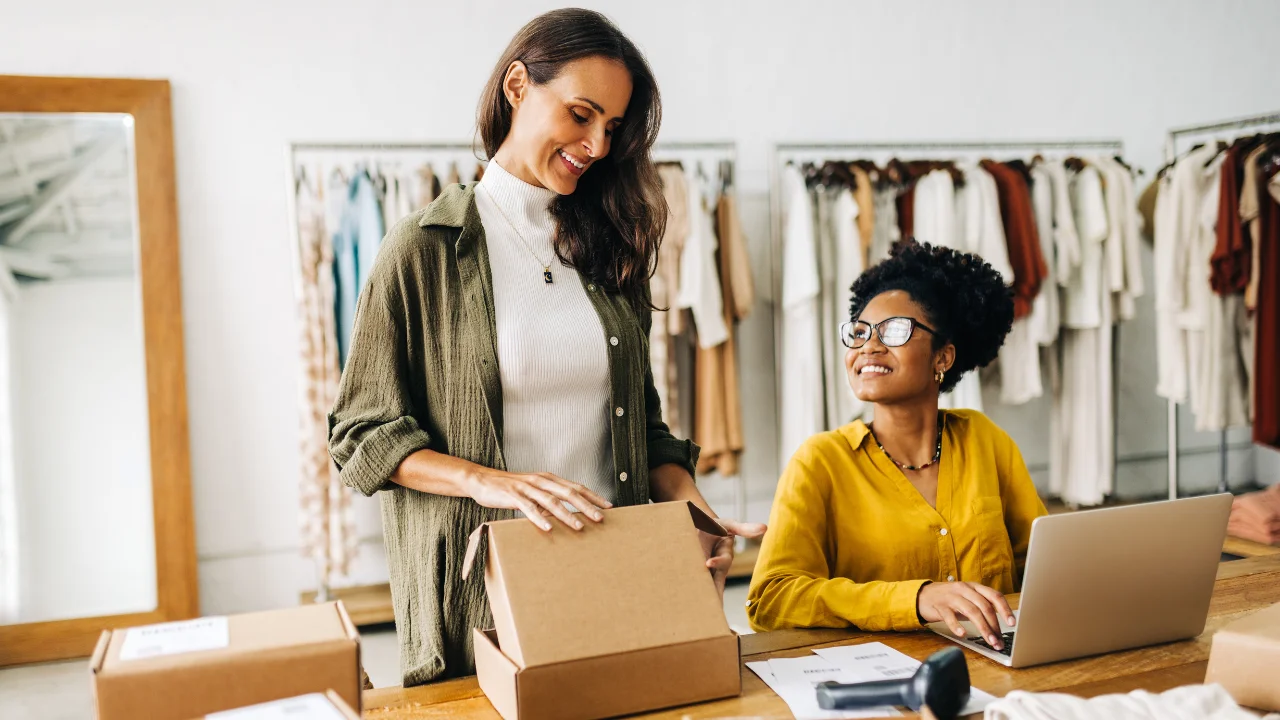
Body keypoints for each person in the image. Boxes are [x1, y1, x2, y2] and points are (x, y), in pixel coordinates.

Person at [328, 8, 764, 686]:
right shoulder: (423, 250)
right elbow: (362, 433)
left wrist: (694, 511)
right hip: (482, 598)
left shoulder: (611, 249)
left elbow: (643, 430)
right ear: (517, 86)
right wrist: (496, 484)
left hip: (615, 577)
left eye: (612, 128)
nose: (595, 145)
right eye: (581, 114)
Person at [747, 241, 1047, 651]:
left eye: (894, 330)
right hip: (879, 679)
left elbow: (1045, 563)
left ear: (943, 357)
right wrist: (917, 599)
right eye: (859, 332)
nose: (868, 345)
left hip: (999, 667)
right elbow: (771, 598)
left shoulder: (985, 440)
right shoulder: (820, 462)